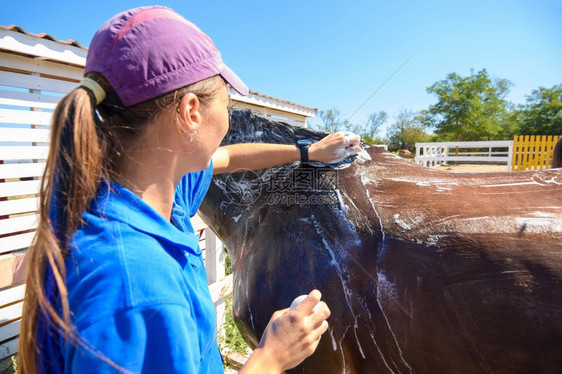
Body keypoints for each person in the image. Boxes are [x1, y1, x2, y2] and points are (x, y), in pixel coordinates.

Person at [18, 6, 361, 374]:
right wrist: (271, 357)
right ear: (191, 111)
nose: (228, 117)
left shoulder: (144, 193)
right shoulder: (137, 288)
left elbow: (229, 157)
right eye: (227, 104)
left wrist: (307, 151)